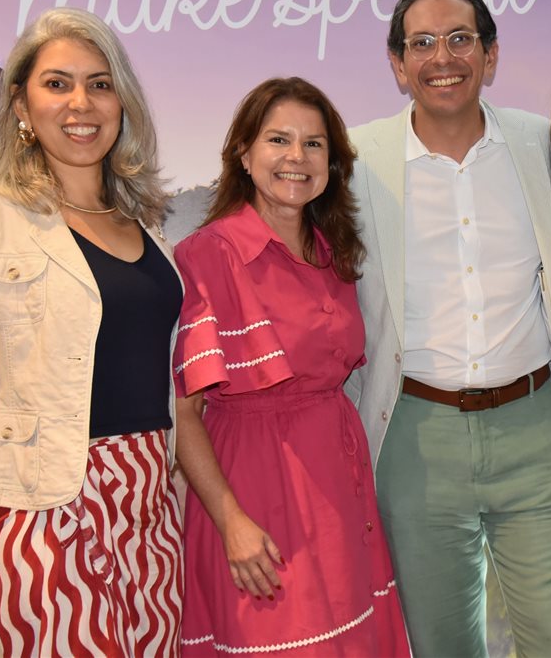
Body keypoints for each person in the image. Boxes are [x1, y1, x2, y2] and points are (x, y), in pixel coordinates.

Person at [345, 0, 551, 658]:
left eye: (460, 39)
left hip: (536, 427)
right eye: (421, 43)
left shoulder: (544, 145)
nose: (443, 57)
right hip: (415, 437)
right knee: (441, 645)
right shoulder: (354, 160)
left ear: (490, 55)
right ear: (398, 64)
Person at [0, 7, 184, 656]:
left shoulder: (148, 229)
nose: (81, 103)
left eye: (100, 84)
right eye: (57, 83)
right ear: (21, 104)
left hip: (152, 512)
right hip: (46, 510)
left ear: (121, 102)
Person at [171, 77, 408, 656]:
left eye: (314, 144)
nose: (296, 158)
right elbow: (183, 414)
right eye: (278, 140)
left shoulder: (334, 253)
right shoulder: (209, 253)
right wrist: (231, 522)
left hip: (338, 488)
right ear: (244, 155)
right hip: (255, 491)